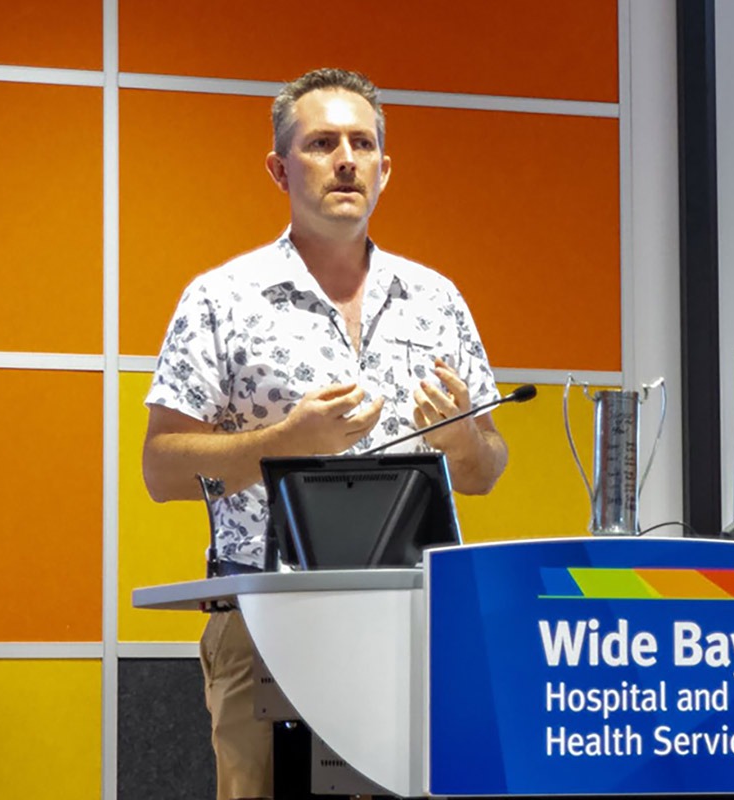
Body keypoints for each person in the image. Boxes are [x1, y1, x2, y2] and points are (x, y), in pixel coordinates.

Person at [141, 67, 508, 800]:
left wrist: (463, 442)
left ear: (385, 169)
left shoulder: (437, 299)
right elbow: (161, 468)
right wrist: (284, 440)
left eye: (362, 144)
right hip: (265, 619)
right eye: (321, 143)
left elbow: (485, 468)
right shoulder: (222, 298)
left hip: (409, 620)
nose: (346, 160)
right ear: (280, 169)